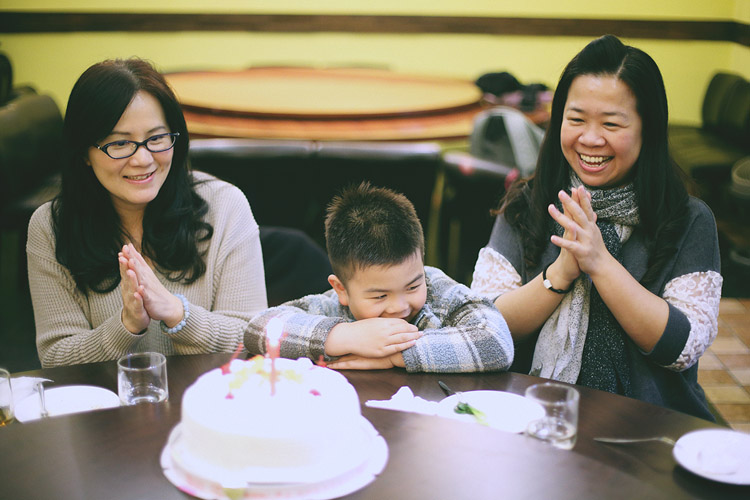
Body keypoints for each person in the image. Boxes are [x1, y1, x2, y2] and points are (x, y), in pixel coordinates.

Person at [471, 35, 722, 420]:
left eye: (611, 123)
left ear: (647, 129)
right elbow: (486, 326)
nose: (590, 138)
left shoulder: (688, 218)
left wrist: (600, 263)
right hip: (530, 418)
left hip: (649, 429)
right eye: (576, 120)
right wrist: (561, 272)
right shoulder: (528, 204)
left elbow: (680, 347)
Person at [27, 58, 267, 367]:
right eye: (120, 143)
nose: (143, 159)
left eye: (156, 138)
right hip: (109, 411)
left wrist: (176, 313)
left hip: (208, 405)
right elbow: (57, 357)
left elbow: (251, 337)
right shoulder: (51, 228)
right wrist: (127, 325)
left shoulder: (226, 206)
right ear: (84, 153)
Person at [245, 182, 513, 372]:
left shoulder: (437, 291)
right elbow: (259, 329)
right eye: (380, 295)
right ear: (341, 290)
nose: (399, 306)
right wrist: (345, 336)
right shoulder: (331, 307)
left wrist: (395, 354)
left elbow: (498, 343)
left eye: (412, 286)